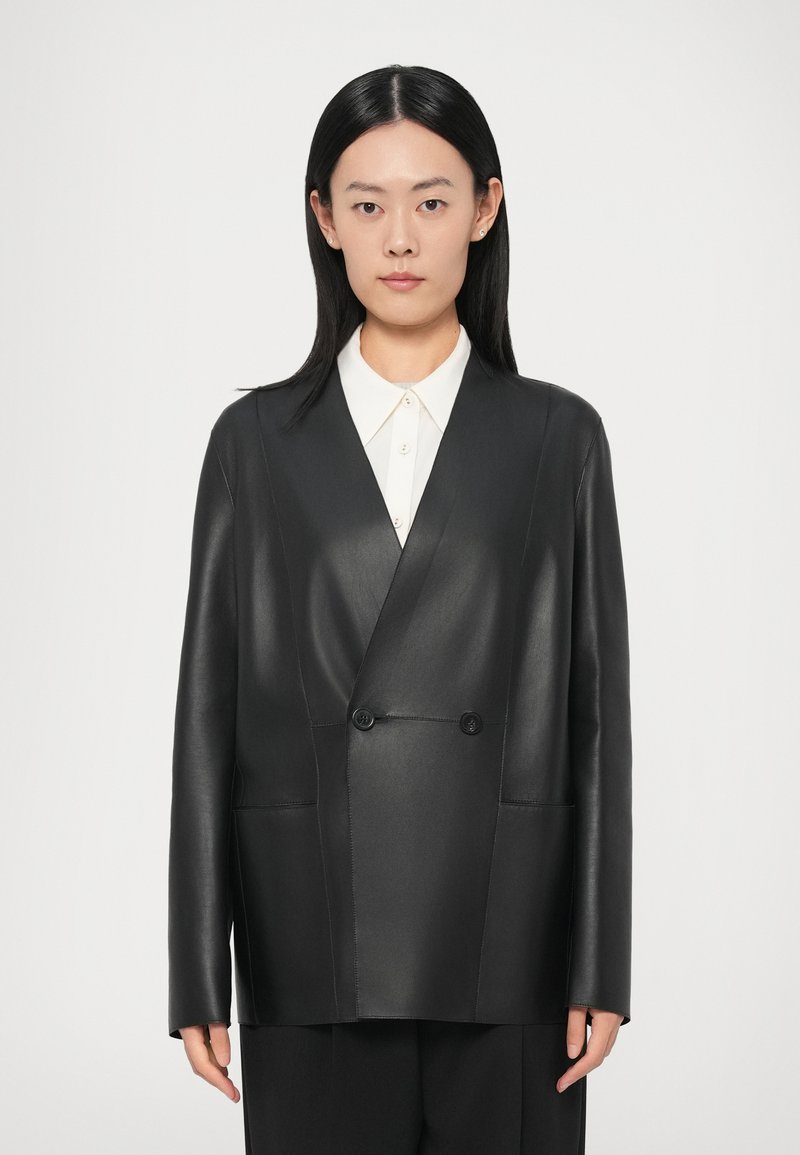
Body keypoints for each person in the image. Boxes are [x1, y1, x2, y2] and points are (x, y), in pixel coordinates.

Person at [168, 63, 633, 1154]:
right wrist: (197, 966)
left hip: (510, 940)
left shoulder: (559, 436)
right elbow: (206, 718)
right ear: (324, 219)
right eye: (368, 206)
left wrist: (600, 962)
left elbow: (594, 717)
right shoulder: (254, 443)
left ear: (485, 206)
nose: (401, 239)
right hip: (311, 936)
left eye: (431, 200)